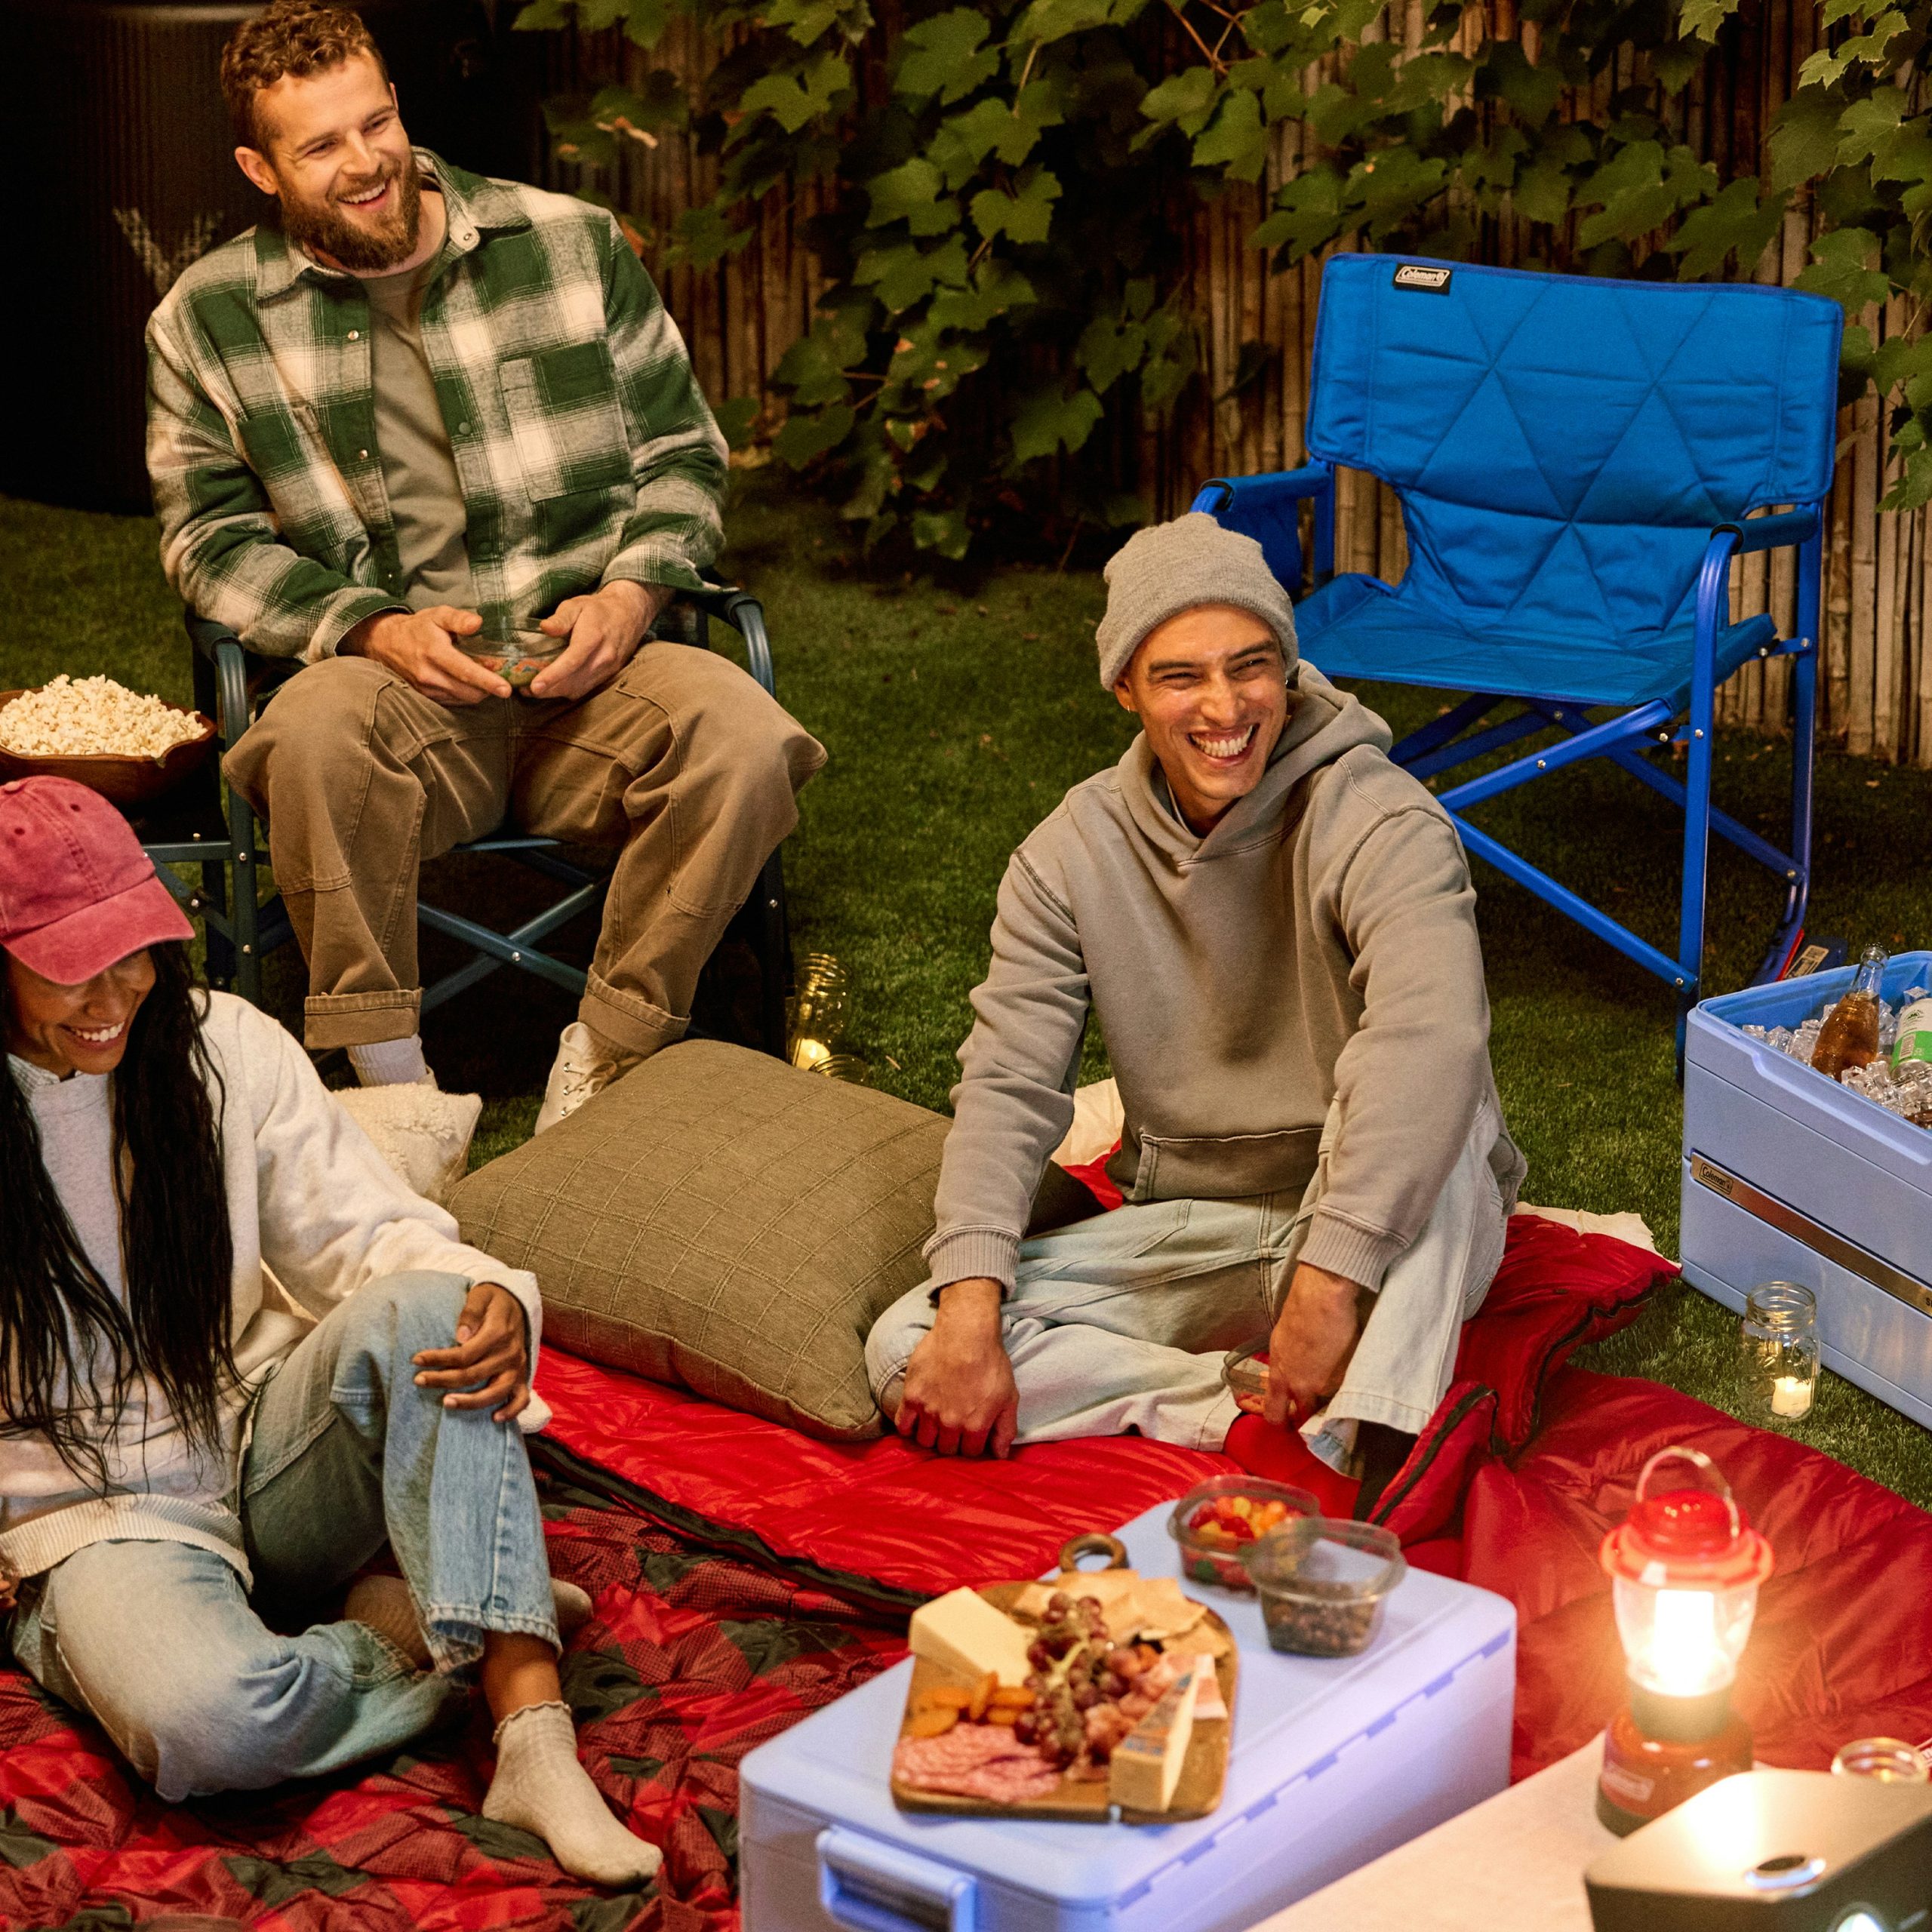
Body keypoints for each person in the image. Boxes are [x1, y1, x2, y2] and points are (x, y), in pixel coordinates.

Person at [146, 0, 824, 1127]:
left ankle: (608, 1052)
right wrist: (368, 626)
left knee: (747, 737)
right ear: (259, 170)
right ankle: (395, 1094)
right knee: (309, 733)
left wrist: (632, 593)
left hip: (590, 672)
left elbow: (681, 456)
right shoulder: (206, 319)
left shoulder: (571, 244)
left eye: (377, 123)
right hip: (394, 694)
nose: (367, 164)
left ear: (398, 103)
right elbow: (209, 541)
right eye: (321, 146)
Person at [0, 776, 657, 1886]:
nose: (114, 995)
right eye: (71, 966)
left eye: (134, 953)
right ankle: (425, 1627)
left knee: (440, 1305)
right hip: (91, 1518)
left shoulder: (221, 1047)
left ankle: (531, 1736)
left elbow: (368, 1237)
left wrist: (490, 1296)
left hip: (258, 1441)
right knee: (212, 1727)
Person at [865, 513, 1526, 1514]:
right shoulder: (1068, 855)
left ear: (1286, 669)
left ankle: (1392, 1441)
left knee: (1441, 1100)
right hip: (1212, 1224)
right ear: (1126, 689)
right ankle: (1254, 1423)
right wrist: (969, 1305)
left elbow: (1427, 1043)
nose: (1225, 706)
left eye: (1250, 666)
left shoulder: (1383, 820)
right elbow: (1007, 1085)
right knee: (911, 1343)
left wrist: (1332, 1279)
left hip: (1395, 1222)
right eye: (1181, 677)